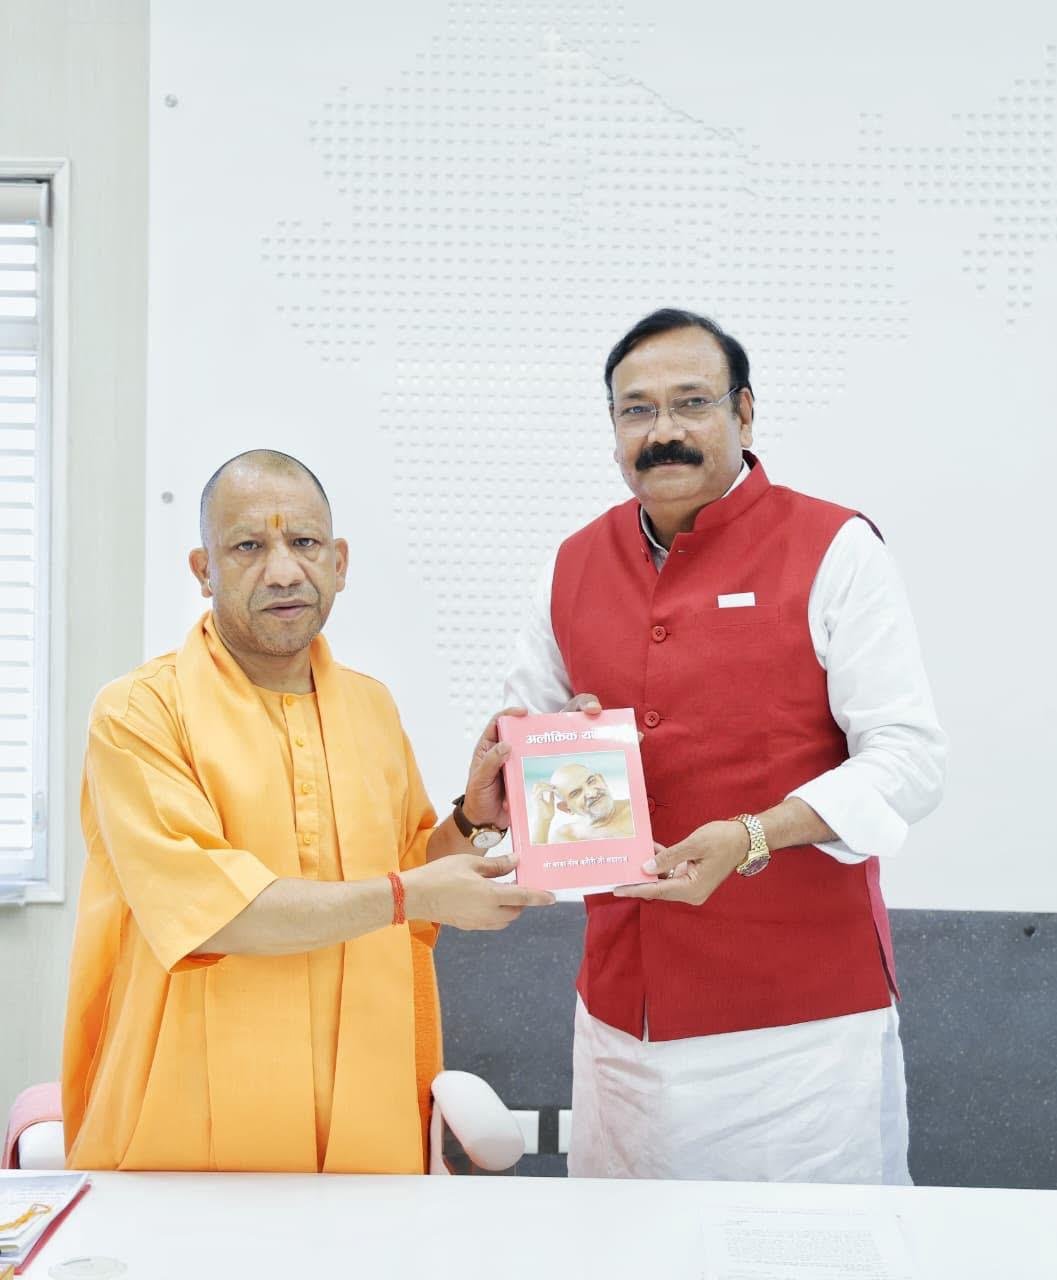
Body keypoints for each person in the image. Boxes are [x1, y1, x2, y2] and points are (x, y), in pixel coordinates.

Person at [505, 309, 947, 1184]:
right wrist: (525, 773)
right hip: (619, 1025)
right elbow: (525, 746)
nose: (661, 431)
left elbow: (908, 760)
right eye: (635, 411)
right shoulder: (571, 563)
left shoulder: (834, 548)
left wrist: (753, 835)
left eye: (690, 403)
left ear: (744, 415)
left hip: (801, 1035)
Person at [63, 449, 553, 1173]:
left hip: (364, 1115)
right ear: (203, 570)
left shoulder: (369, 705)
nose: (285, 571)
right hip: (185, 1133)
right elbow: (216, 914)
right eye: (249, 546)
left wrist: (473, 820)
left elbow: (411, 896)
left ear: (340, 561)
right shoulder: (140, 713)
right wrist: (403, 893)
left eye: (304, 543)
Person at [532, 763, 635, 844]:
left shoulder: (636, 810)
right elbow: (536, 868)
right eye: (576, 793)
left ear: (602, 780)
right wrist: (543, 821)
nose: (592, 793)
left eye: (591, 781)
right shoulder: (566, 837)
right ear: (567, 808)